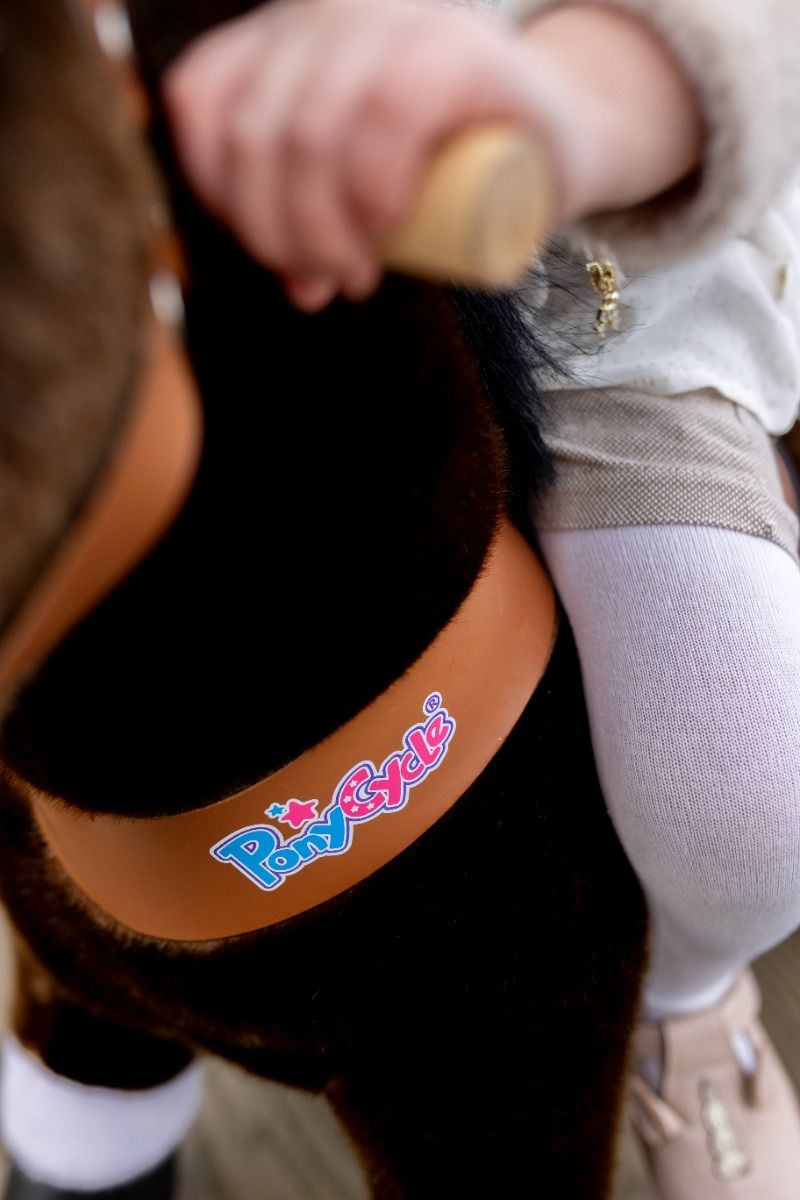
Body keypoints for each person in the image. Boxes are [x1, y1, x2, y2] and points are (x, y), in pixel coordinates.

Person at [163, 2, 800, 1196]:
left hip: (599, 285)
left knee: (737, 788)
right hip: (198, 227)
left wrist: (573, 101)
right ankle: (83, 1067)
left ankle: (684, 994)